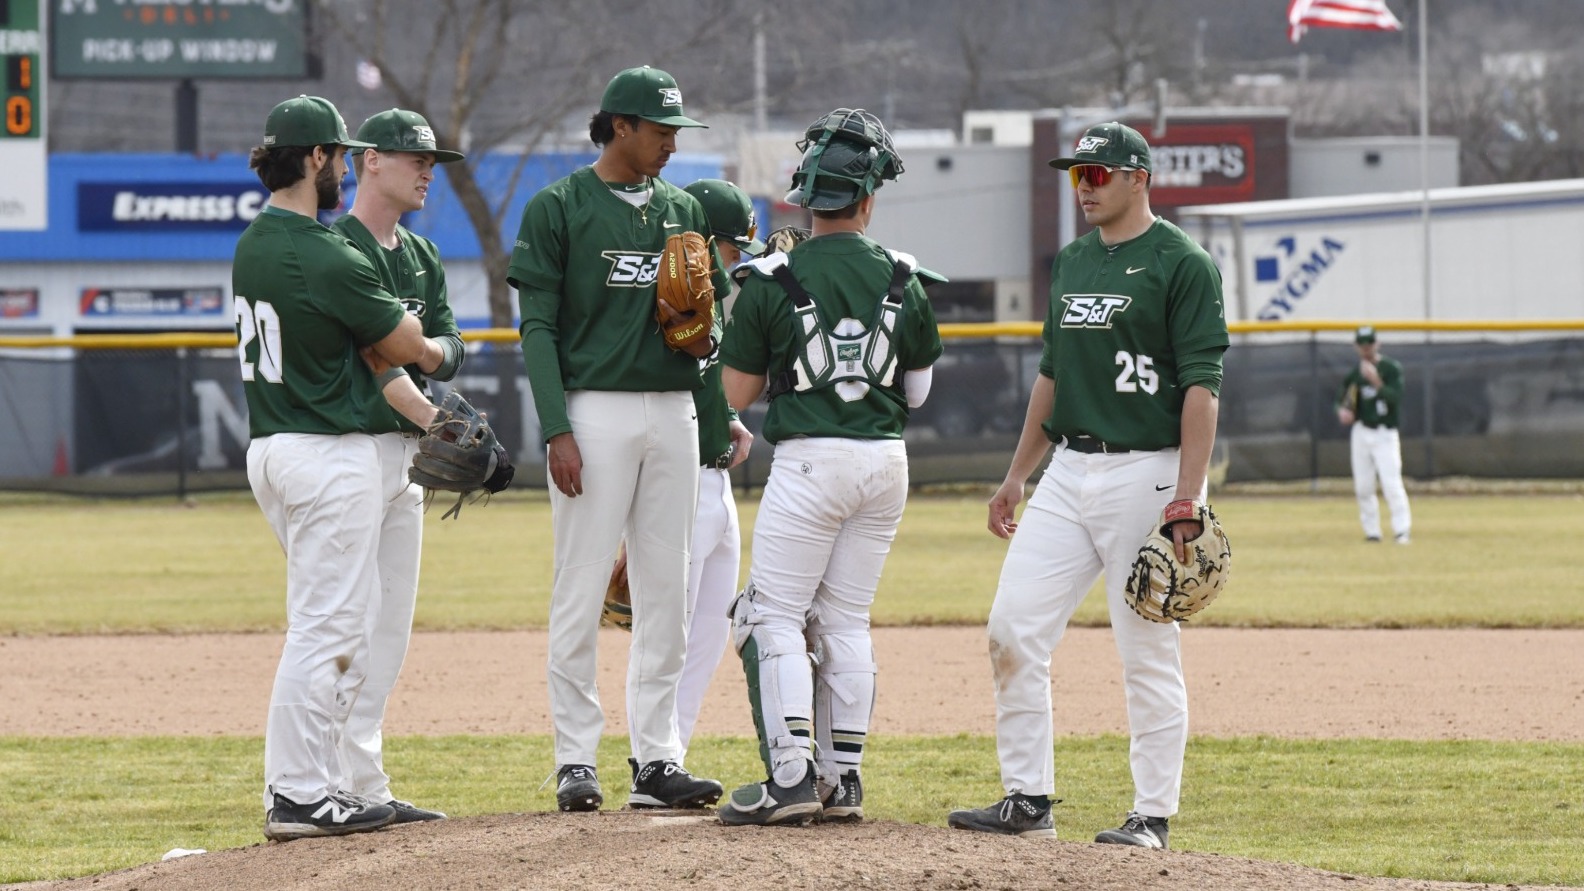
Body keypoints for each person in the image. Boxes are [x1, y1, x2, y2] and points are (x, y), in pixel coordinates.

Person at [946, 121, 1229, 848]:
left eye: (1100, 174)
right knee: (1012, 629)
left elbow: (1202, 386)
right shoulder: (1072, 261)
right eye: (1078, 174)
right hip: (1069, 470)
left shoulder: (1182, 263)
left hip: (1149, 467)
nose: (1086, 186)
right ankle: (1027, 796)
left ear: (1140, 178)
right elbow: (1053, 376)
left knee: (1145, 647)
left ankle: (1151, 813)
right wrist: (1017, 475)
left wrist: (1188, 496)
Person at [505, 65, 728, 812]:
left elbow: (706, 327)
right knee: (581, 584)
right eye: (660, 129)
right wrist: (556, 426)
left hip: (673, 410)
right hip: (593, 408)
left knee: (669, 587)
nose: (671, 142)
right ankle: (575, 758)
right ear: (619, 126)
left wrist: (714, 405)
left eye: (675, 131)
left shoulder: (683, 205)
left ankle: (658, 757)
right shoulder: (559, 206)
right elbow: (535, 325)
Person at [715, 108, 943, 827]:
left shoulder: (771, 277)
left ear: (802, 197)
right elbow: (917, 392)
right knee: (845, 618)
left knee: (768, 614)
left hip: (812, 461)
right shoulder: (905, 275)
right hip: (885, 464)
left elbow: (737, 396)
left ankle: (789, 778)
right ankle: (842, 779)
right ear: (869, 197)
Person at [235, 95, 446, 841]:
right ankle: (296, 793)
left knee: (343, 623)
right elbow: (410, 340)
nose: (339, 165)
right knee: (327, 627)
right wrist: (421, 340)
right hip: (327, 448)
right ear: (320, 158)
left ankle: (333, 785)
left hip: (279, 444)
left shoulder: (256, 240)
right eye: (336, 152)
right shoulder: (321, 249)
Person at [324, 107, 472, 824]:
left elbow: (447, 343)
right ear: (368, 160)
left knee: (391, 630)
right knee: (345, 624)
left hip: (404, 459)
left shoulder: (421, 254)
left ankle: (365, 784)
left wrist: (430, 354)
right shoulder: (338, 250)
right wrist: (436, 407)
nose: (426, 170)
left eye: (432, 160)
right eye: (414, 158)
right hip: (349, 449)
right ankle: (317, 782)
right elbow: (378, 358)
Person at [1336, 325, 1411, 544]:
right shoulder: (1355, 375)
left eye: (1370, 344)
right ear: (1356, 347)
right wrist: (1343, 411)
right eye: (1362, 345)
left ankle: (1402, 530)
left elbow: (1395, 397)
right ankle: (1372, 532)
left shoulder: (1390, 368)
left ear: (1377, 344)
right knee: (1363, 486)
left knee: (1391, 483)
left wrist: (1376, 381)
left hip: (1384, 433)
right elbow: (1343, 400)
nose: (1366, 349)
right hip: (1361, 432)